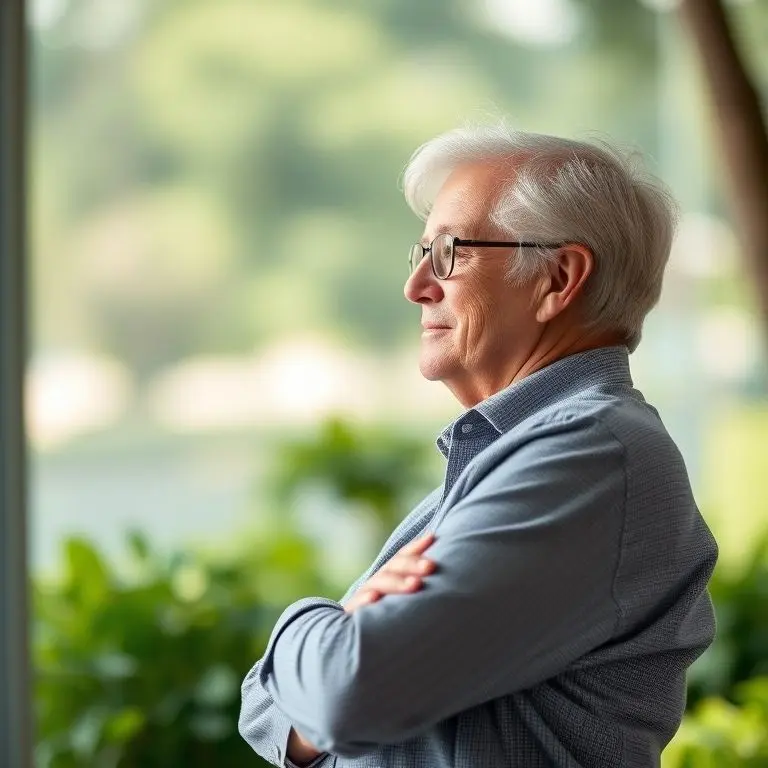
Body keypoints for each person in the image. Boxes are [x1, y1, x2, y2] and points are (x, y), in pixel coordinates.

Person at [238, 122, 718, 767]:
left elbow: (345, 697)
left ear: (558, 277)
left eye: (449, 253)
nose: (416, 288)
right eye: (420, 255)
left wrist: (308, 620)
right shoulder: (513, 451)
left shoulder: (594, 454)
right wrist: (334, 651)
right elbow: (265, 712)